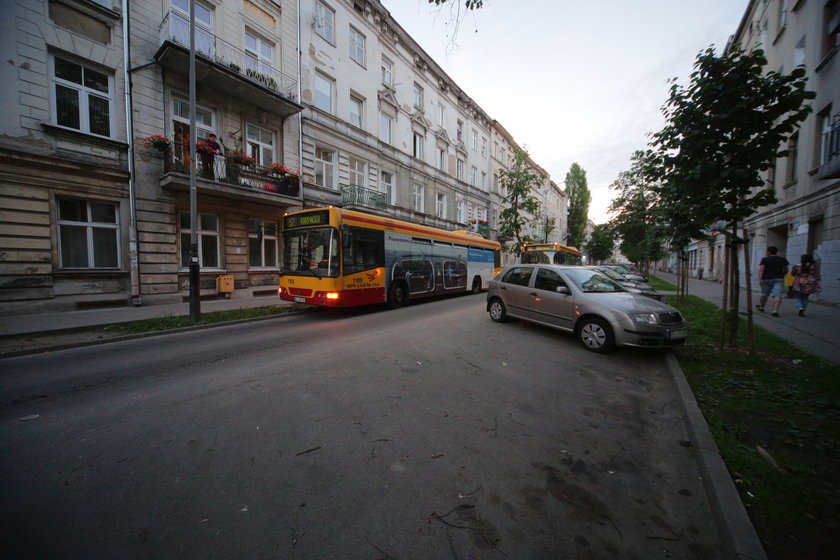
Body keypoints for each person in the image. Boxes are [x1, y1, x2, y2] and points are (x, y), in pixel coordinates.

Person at [756, 246, 789, 317]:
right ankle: (775, 311)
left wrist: (760, 279)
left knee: (764, 294)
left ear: (769, 252)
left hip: (767, 278)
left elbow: (761, 270)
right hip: (779, 278)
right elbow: (786, 270)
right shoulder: (783, 259)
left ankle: (762, 307)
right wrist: (784, 274)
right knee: (778, 294)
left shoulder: (765, 259)